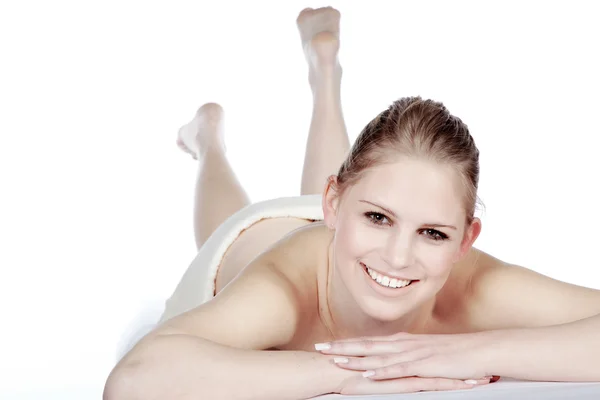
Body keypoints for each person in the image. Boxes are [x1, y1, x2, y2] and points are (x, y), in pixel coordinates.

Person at [103, 6, 600, 400]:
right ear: (332, 204)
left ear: (465, 239)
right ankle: (208, 138)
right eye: (378, 218)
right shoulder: (278, 292)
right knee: (236, 230)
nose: (399, 257)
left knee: (365, 220)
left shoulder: (476, 285)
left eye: (433, 233)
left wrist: (467, 351)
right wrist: (343, 373)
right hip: (254, 244)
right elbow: (134, 383)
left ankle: (326, 74)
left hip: (341, 229)